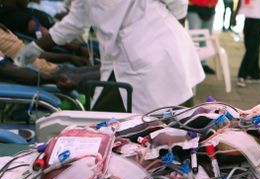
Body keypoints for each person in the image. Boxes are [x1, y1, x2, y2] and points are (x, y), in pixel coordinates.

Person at [15, 0, 204, 113]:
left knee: (178, 129)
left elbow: (178, 3)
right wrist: (34, 48)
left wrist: (170, 30)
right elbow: (75, 22)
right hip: (134, 56)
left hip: (159, 49)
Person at [233, 0, 260, 88]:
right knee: (250, 45)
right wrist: (234, 16)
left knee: (252, 47)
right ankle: (255, 74)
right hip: (248, 15)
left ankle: (242, 75)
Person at [187, 0, 218, 74]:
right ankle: (191, 64)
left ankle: (203, 64)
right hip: (194, 7)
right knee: (193, 38)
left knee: (206, 39)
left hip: (210, 8)